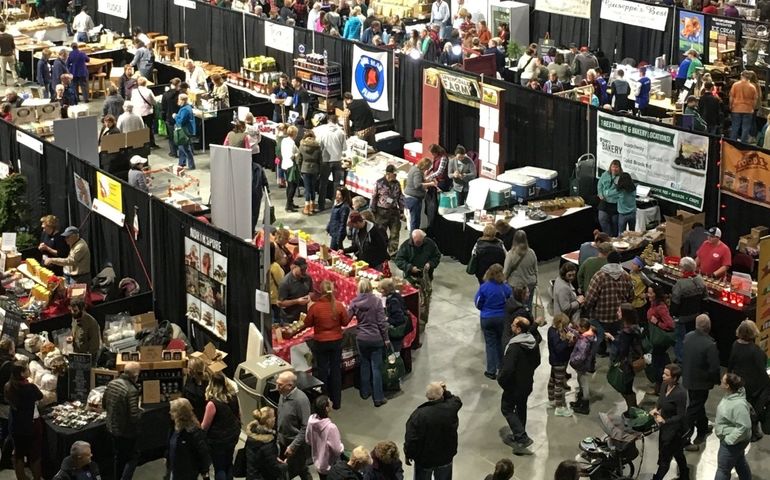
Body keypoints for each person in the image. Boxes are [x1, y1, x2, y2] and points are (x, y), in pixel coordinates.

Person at [304, 281, 350, 409]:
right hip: (336, 342)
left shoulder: (315, 307)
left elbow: (307, 323)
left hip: (321, 343)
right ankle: (337, 403)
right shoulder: (339, 306)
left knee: (322, 371)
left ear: (321, 292)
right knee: (336, 371)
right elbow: (346, 323)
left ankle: (323, 404)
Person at [499, 317, 540, 455]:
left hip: (514, 386)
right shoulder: (532, 342)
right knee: (521, 407)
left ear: (518, 329)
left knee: (507, 408)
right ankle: (518, 435)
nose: (511, 325)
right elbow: (537, 361)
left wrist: (502, 381)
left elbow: (507, 369)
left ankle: (521, 436)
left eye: (514, 324)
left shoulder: (514, 347)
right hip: (527, 383)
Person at [404, 381, 462, 479]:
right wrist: (445, 391)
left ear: (427, 395)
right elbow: (456, 400)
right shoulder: (450, 408)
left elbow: (412, 439)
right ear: (442, 394)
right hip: (445, 457)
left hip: (425, 460)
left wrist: (408, 454)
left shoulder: (418, 415)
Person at [348, 278, 391, 407]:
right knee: (376, 368)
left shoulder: (354, 302)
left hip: (361, 338)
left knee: (364, 365)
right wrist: (386, 339)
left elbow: (346, 319)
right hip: (375, 339)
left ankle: (365, 392)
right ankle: (378, 398)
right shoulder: (377, 301)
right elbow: (381, 323)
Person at [682, 314, 721, 451]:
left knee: (697, 404)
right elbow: (714, 367)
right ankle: (685, 439)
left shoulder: (687, 337)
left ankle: (703, 427)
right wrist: (717, 381)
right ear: (709, 327)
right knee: (693, 408)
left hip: (688, 378)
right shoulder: (710, 344)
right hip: (701, 383)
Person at [583, 251, 634, 351]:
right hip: (618, 317)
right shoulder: (626, 276)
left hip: (600, 317)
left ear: (607, 260)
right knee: (615, 340)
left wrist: (588, 309)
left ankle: (600, 352)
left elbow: (589, 299)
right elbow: (631, 296)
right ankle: (615, 360)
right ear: (619, 261)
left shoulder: (599, 276)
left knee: (598, 340)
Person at [394, 229, 442, 331]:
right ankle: (410, 323)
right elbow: (398, 260)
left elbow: (437, 256)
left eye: (420, 242)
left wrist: (430, 264)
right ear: (412, 239)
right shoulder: (406, 245)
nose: (418, 244)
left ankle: (421, 325)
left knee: (425, 302)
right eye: (416, 242)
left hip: (426, 277)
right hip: (410, 277)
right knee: (410, 301)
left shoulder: (430, 244)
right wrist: (410, 268)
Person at [103, 361, 142, 480]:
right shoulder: (131, 390)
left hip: (111, 427)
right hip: (126, 432)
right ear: (135, 375)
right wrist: (141, 411)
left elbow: (104, 404)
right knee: (132, 458)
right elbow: (134, 417)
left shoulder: (112, 383)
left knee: (118, 457)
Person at [650, 364, 689, 480]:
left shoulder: (680, 393)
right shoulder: (664, 385)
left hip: (675, 430)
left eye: (666, 375)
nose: (663, 376)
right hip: (665, 427)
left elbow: (681, 416)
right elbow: (661, 399)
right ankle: (685, 475)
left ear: (675, 378)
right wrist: (656, 408)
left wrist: (665, 420)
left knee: (665, 458)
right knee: (677, 453)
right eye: (663, 373)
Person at [5, 362, 43, 480]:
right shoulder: (30, 387)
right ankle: (36, 477)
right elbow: (40, 396)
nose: (29, 371)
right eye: (26, 370)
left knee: (19, 454)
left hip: (15, 425)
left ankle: (21, 477)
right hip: (30, 426)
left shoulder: (8, 386)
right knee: (35, 454)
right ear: (22, 373)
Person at [729, 320, 770, 427]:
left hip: (738, 383)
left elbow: (731, 364)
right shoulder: (756, 350)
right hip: (752, 386)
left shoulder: (735, 345)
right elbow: (762, 371)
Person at [475, 264, 512, 380]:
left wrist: (484, 310)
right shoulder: (506, 288)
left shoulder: (484, 287)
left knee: (490, 344)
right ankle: (501, 367)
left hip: (487, 318)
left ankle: (491, 371)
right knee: (501, 343)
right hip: (502, 319)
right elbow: (510, 302)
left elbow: (477, 302)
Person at [604, 304, 644, 411]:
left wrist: (613, 342)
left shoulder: (626, 332)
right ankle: (632, 408)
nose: (617, 313)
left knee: (625, 389)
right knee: (627, 388)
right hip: (633, 363)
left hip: (626, 365)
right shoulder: (635, 328)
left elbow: (623, 350)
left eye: (619, 311)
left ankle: (632, 409)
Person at [201, 371, 240, 480]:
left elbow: (205, 426)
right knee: (228, 463)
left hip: (218, 441)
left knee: (220, 467)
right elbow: (238, 414)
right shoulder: (233, 396)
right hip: (232, 436)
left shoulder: (212, 404)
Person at [714, 373, 753, 480]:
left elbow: (745, 426)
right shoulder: (731, 395)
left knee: (723, 469)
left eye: (722, 381)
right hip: (736, 442)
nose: (720, 381)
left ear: (728, 386)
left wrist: (729, 440)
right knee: (739, 461)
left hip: (733, 443)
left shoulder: (738, 404)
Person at [276, 371, 312, 480]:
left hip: (295, 445)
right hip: (282, 442)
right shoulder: (282, 395)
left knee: (299, 469)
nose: (277, 387)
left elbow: (306, 426)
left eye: (280, 385)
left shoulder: (301, 400)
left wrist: (293, 446)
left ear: (290, 386)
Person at [166, 398, 212, 480]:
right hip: (174, 471)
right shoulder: (173, 427)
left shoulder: (194, 432)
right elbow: (170, 446)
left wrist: (205, 472)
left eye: (173, 411)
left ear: (181, 414)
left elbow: (203, 453)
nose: (170, 413)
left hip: (188, 474)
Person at [646, 284, 674, 395]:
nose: (648, 295)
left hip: (659, 340)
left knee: (658, 364)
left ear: (656, 294)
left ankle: (660, 388)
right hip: (655, 338)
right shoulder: (654, 304)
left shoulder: (661, 307)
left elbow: (670, 324)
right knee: (659, 362)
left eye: (651, 293)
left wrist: (657, 323)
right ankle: (661, 386)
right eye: (648, 292)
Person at [306, 395, 344, 479]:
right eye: (330, 402)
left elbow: (308, 440)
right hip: (329, 466)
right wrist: (341, 446)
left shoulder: (310, 420)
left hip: (318, 463)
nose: (332, 403)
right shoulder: (331, 427)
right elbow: (337, 450)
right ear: (326, 408)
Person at [371, 164, 406, 255]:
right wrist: (373, 209)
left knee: (395, 232)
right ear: (388, 173)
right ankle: (381, 249)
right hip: (381, 211)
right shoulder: (379, 183)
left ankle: (393, 251)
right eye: (394, 174)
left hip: (394, 211)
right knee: (381, 232)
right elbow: (374, 196)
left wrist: (402, 210)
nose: (395, 176)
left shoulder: (397, 184)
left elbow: (400, 197)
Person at [315, 114, 346, 211]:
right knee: (336, 184)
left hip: (326, 160)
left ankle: (321, 204)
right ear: (336, 121)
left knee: (323, 183)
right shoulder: (341, 132)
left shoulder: (323, 132)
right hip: (337, 160)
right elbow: (344, 148)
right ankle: (335, 203)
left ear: (328, 121)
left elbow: (319, 145)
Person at [245, 406, 286, 479]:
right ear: (268, 421)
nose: (275, 418)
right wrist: (284, 465)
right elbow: (274, 469)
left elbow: (259, 458)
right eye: (273, 416)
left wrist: (274, 458)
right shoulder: (268, 443)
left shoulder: (251, 436)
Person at [548, 313, 576, 417]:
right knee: (558, 385)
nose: (566, 328)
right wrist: (567, 340)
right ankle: (559, 407)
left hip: (555, 361)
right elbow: (559, 348)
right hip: (559, 362)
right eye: (565, 325)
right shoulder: (555, 334)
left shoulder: (551, 329)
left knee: (552, 380)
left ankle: (551, 400)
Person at [503, 230, 538, 309]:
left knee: (516, 307)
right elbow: (536, 269)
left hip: (515, 285)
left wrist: (502, 282)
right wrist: (536, 281)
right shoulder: (531, 252)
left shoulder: (511, 254)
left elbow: (506, 271)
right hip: (530, 283)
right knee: (528, 306)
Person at [568, 318, 597, 415]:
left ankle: (585, 406)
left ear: (584, 328)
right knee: (580, 382)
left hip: (582, 365)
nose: (577, 329)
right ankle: (580, 401)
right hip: (583, 365)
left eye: (578, 327)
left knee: (584, 384)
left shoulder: (584, 341)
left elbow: (581, 356)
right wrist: (568, 329)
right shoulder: (587, 335)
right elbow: (578, 334)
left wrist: (572, 361)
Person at [403, 158, 435, 233]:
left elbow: (418, 181)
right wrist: (430, 184)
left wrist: (426, 181)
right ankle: (414, 239)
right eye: (427, 167)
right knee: (415, 221)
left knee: (413, 220)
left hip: (409, 197)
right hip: (413, 199)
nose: (427, 169)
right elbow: (417, 185)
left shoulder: (413, 168)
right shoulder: (417, 172)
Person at [278, 257, 313, 323]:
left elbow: (311, 292)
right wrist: (297, 301)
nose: (304, 272)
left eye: (305, 269)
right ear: (294, 267)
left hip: (303, 316)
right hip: (289, 319)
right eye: (302, 270)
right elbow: (280, 303)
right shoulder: (285, 283)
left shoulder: (307, 278)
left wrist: (309, 297)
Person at [297, 130, 322, 215]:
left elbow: (299, 160)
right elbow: (320, 160)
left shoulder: (301, 146)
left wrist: (300, 169)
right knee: (313, 188)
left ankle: (306, 207)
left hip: (305, 169)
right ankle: (312, 206)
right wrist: (319, 170)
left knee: (307, 188)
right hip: (315, 169)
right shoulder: (317, 147)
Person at [730, 71, 758, 143]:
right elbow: (755, 100)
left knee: (735, 127)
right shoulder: (752, 87)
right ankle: (743, 144)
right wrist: (753, 108)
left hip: (736, 108)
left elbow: (731, 97)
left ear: (741, 76)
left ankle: (732, 143)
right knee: (746, 128)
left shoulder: (735, 85)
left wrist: (731, 106)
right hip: (748, 109)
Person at [597, 159, 622, 235]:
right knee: (602, 218)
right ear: (610, 167)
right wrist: (601, 194)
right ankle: (608, 236)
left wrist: (607, 193)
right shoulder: (605, 174)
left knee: (615, 223)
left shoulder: (622, 177)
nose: (614, 169)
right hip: (605, 202)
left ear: (619, 168)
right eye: (613, 166)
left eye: (616, 167)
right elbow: (600, 185)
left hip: (615, 204)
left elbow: (618, 191)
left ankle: (614, 238)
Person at [131, 77, 157, 148]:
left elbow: (132, 101)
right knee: (149, 128)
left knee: (140, 128)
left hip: (138, 113)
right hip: (148, 112)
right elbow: (154, 102)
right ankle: (151, 144)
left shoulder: (134, 91)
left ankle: (141, 143)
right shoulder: (148, 91)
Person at [183, 356, 209, 422]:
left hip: (197, 418)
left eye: (188, 368)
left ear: (191, 371)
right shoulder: (208, 380)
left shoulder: (191, 390)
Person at [281, 125, 300, 212]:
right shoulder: (291, 143)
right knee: (292, 185)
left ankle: (290, 202)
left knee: (289, 185)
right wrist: (296, 155)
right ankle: (288, 205)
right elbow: (291, 155)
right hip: (290, 166)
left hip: (285, 165)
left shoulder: (284, 140)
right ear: (294, 133)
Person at [175, 93, 197, 170]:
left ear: (182, 100)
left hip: (185, 131)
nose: (178, 101)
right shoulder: (187, 108)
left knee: (185, 148)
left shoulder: (185, 110)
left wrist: (175, 116)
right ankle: (181, 163)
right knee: (181, 147)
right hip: (185, 130)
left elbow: (181, 121)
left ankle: (191, 165)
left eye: (179, 99)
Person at [161, 78, 182, 157]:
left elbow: (163, 108)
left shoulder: (165, 94)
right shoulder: (181, 94)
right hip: (179, 117)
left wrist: (164, 118)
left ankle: (173, 152)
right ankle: (182, 152)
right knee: (180, 135)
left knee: (171, 136)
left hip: (169, 118)